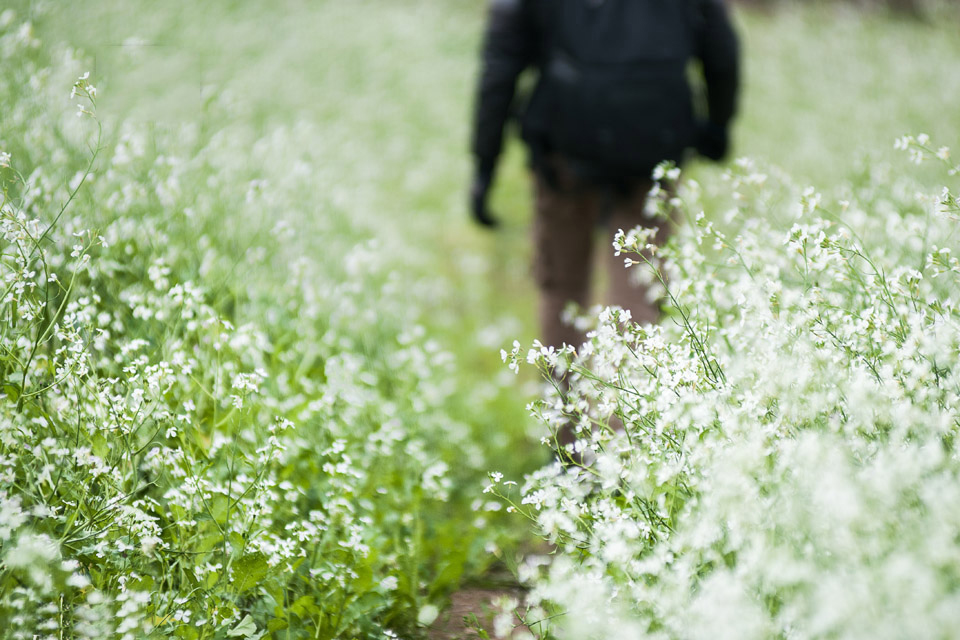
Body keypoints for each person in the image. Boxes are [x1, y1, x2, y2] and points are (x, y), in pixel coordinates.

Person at [470, 0, 740, 349]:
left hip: (564, 149)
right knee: (639, 287)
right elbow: (722, 50)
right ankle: (632, 398)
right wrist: (717, 127)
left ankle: (562, 400)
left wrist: (485, 162)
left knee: (562, 288)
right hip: (651, 148)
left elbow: (500, 64)